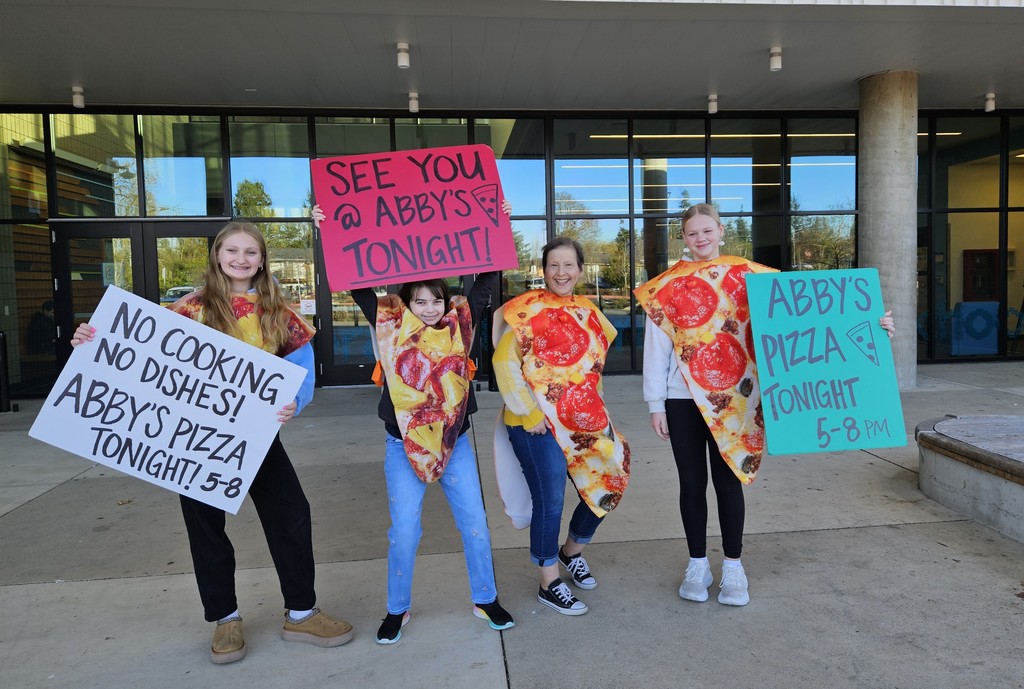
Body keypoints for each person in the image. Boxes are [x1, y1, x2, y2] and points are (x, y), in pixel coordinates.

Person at [71, 221, 354, 664]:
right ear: (217, 255)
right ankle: (226, 618)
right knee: (206, 528)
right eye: (232, 250)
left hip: (257, 435)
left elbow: (300, 368)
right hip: (195, 440)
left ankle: (301, 612)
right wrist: (91, 340)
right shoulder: (188, 309)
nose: (241, 259)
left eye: (251, 252)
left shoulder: (280, 311)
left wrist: (292, 405)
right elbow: (137, 351)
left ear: (262, 259)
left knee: (292, 517)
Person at [640, 202, 895, 607]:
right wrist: (655, 402)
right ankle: (697, 563)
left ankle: (734, 567)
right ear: (684, 238)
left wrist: (867, 322)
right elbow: (656, 350)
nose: (701, 238)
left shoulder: (752, 276)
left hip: (738, 398)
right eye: (692, 233)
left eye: (708, 230)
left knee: (729, 481)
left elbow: (802, 317)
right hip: (682, 398)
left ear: (721, 231)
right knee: (691, 484)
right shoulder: (665, 287)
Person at [313, 203, 514, 644]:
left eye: (435, 299)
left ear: (445, 301)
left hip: (455, 441)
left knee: (475, 523)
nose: (427, 307)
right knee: (404, 530)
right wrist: (328, 232)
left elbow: (485, 283)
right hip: (400, 444)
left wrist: (498, 223)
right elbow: (356, 283)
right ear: (406, 303)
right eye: (419, 300)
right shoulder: (389, 323)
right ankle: (396, 609)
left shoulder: (461, 321)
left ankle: (485, 599)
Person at [492, 236, 630, 616]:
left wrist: (601, 418)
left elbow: (591, 372)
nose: (561, 272)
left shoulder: (589, 311)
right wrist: (532, 414)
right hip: (533, 423)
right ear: (543, 270)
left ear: (581, 271)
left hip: (582, 420)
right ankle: (548, 581)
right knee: (550, 497)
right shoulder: (525, 309)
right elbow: (504, 364)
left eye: (569, 265)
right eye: (554, 265)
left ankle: (571, 551)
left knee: (609, 480)